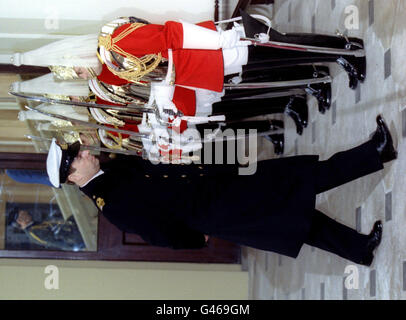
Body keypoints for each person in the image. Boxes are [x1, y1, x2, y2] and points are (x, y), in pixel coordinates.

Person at [45, 115, 397, 266]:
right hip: (218, 210)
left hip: (218, 183)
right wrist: (198, 240)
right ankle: (375, 153)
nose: (84, 152)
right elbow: (161, 233)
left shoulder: (110, 168)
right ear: (72, 177)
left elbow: (157, 167)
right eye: (77, 157)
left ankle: (358, 249)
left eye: (78, 150)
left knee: (294, 204)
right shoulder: (112, 205)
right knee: (297, 188)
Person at [7, 208, 85, 251]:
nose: (27, 213)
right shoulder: (33, 232)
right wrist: (77, 245)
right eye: (24, 214)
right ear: (20, 221)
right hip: (78, 238)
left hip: (75, 232)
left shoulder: (34, 225)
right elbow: (56, 240)